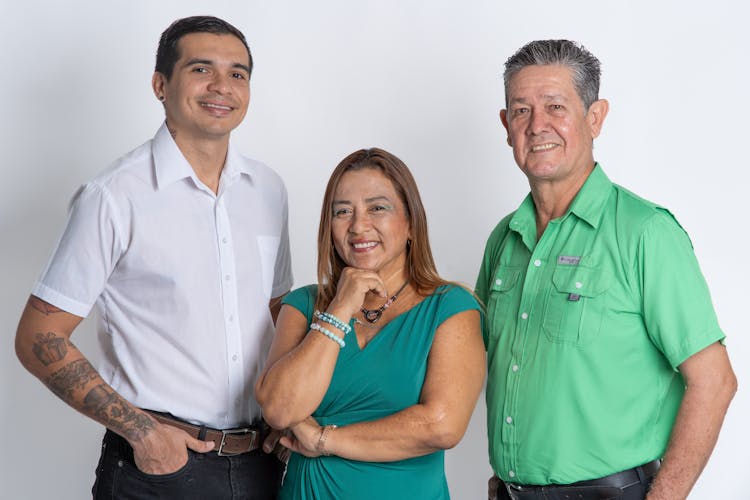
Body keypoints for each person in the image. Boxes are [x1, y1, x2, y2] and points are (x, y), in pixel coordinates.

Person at [15, 16, 292, 499]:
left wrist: (290, 410)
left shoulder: (268, 190)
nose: (222, 87)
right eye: (201, 69)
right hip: (160, 470)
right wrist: (144, 433)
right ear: (160, 84)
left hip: (261, 464)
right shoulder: (113, 196)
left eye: (238, 73)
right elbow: (38, 335)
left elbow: (278, 310)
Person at [477, 40, 736, 500]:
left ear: (595, 118)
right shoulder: (504, 239)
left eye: (555, 106)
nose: (537, 126)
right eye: (521, 111)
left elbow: (714, 381)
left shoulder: (645, 232)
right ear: (506, 126)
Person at [255, 148, 486, 499]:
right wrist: (339, 308)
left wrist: (323, 439)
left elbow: (441, 426)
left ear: (410, 222)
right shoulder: (304, 304)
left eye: (377, 208)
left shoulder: (451, 306)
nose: (358, 226)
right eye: (342, 211)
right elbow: (279, 409)